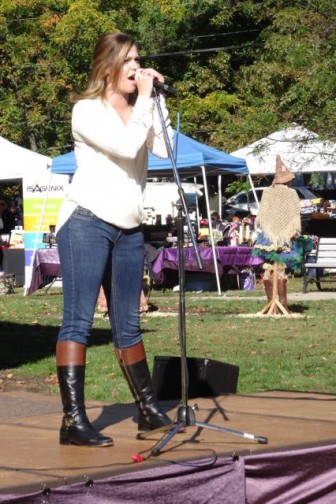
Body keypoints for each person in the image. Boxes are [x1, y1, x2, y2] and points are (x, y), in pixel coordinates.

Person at [55, 32, 174, 447]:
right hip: (86, 221)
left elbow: (166, 149)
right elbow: (126, 147)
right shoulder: (86, 111)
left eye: (140, 60)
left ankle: (147, 410)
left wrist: (155, 100)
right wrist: (144, 100)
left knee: (129, 323)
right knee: (79, 321)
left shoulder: (142, 107)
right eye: (130, 61)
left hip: (128, 227)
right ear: (108, 65)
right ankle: (73, 421)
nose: (137, 69)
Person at [253, 155, 301, 312]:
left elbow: (262, 214)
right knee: (281, 270)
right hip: (283, 237)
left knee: (268, 269)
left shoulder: (267, 192)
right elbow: (295, 216)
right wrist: (293, 230)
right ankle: (283, 305)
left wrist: (267, 226)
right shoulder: (292, 193)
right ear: (287, 180)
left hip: (267, 237)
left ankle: (271, 303)